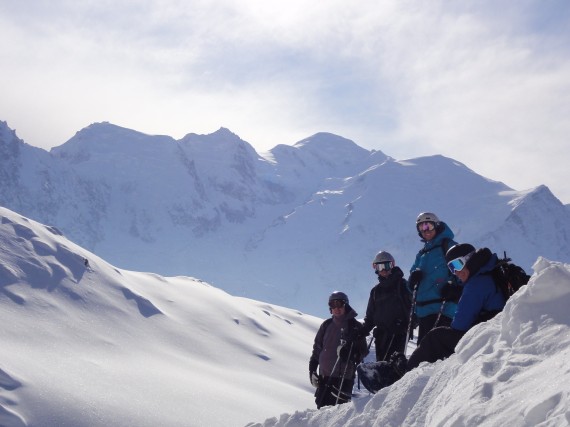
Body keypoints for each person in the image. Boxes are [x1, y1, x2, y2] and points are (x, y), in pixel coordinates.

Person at [406, 243, 506, 370]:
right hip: (494, 327)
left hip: (488, 333)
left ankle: (407, 372)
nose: (456, 272)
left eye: (457, 265)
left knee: (435, 337)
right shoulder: (488, 272)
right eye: (451, 268)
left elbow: (460, 325)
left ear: (469, 259)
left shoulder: (476, 283)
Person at [309, 291, 368, 409]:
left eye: (339, 304)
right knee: (321, 412)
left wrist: (350, 355)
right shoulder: (326, 325)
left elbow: (363, 351)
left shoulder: (355, 326)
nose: (336, 308)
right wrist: (312, 370)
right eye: (332, 305)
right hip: (324, 377)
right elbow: (317, 349)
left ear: (346, 305)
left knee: (336, 414)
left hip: (343, 379)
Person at [408, 212, 458, 345]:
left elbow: (461, 270)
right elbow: (411, 282)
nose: (425, 231)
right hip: (424, 313)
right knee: (424, 354)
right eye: (421, 228)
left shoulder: (448, 246)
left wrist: (454, 288)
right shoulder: (422, 254)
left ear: (436, 226)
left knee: (437, 352)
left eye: (428, 226)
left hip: (444, 309)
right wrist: (413, 280)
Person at [361, 251, 412, 361]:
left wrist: (405, 324)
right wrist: (362, 331)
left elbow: (414, 307)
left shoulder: (402, 285)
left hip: (399, 334)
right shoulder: (375, 291)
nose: (384, 270)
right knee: (382, 367)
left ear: (392, 265)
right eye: (380, 267)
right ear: (376, 269)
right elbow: (370, 316)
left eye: (387, 266)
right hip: (381, 336)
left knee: (395, 367)